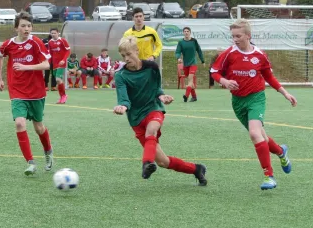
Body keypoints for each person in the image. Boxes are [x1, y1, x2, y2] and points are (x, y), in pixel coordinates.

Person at [210, 19, 296, 190]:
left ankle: (269, 176)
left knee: (255, 134)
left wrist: (285, 93)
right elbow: (214, 72)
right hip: (238, 102)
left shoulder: (260, 55)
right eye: (233, 36)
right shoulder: (229, 54)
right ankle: (281, 151)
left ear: (248, 36)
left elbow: (269, 77)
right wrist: (225, 82)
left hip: (256, 98)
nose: (235, 39)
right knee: (261, 137)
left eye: (238, 36)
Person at [114, 36, 207, 185]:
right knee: (163, 162)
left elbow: (156, 88)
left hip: (153, 109)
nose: (126, 58)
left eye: (129, 54)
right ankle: (196, 169)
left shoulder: (152, 67)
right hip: (136, 119)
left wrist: (162, 96)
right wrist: (122, 107)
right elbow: (124, 99)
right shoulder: (120, 76)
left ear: (137, 51)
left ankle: (146, 164)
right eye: (123, 56)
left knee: (151, 130)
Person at [0, 12, 54, 175]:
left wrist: (26, 67)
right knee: (20, 123)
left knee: (38, 127)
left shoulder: (36, 43)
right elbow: (0, 57)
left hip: (36, 91)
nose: (26, 29)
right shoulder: (9, 44)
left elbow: (46, 65)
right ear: (16, 28)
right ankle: (30, 162)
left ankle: (48, 151)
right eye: (23, 26)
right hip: (17, 91)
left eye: (29, 26)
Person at [175, 26, 205, 102]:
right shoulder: (181, 42)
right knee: (190, 83)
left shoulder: (194, 41)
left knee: (190, 79)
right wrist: (178, 57)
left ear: (190, 32)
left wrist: (202, 61)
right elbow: (177, 52)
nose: (186, 32)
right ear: (183, 33)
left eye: (187, 31)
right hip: (186, 64)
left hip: (193, 63)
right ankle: (194, 97)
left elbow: (199, 51)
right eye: (185, 31)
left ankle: (186, 96)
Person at [47, 28, 71, 103]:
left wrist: (63, 60)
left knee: (58, 79)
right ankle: (62, 97)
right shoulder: (50, 42)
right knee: (58, 81)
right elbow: (50, 53)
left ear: (58, 33)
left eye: (54, 33)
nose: (53, 34)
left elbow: (68, 51)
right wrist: (48, 63)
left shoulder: (62, 41)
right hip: (54, 64)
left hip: (61, 63)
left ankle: (63, 96)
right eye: (52, 33)